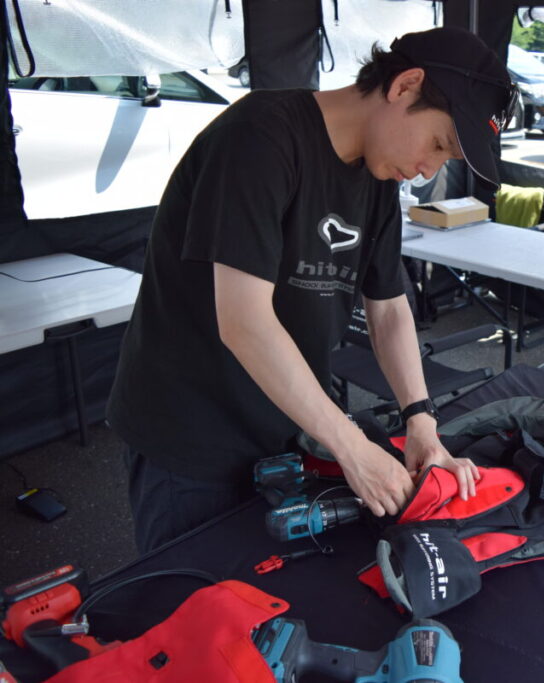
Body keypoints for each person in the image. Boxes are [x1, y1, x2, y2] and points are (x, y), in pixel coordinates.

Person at [107, 27, 518, 554]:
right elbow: (245, 321)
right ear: (404, 86)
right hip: (191, 431)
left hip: (287, 423)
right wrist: (352, 447)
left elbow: (389, 307)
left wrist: (421, 420)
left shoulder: (377, 177)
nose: (427, 171)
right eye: (438, 145)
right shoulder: (260, 137)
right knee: (189, 591)